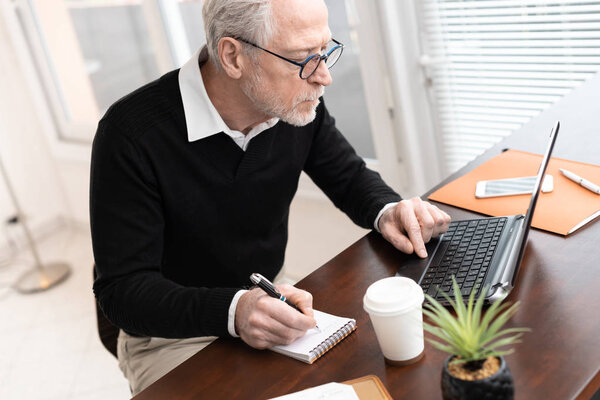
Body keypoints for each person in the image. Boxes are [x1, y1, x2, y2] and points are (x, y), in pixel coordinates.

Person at [90, 0, 450, 394]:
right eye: (304, 59)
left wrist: (388, 211)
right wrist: (233, 310)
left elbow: (347, 176)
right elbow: (123, 292)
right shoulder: (130, 135)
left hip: (269, 294)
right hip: (170, 334)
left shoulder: (291, 101)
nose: (324, 77)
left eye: (325, 52)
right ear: (233, 57)